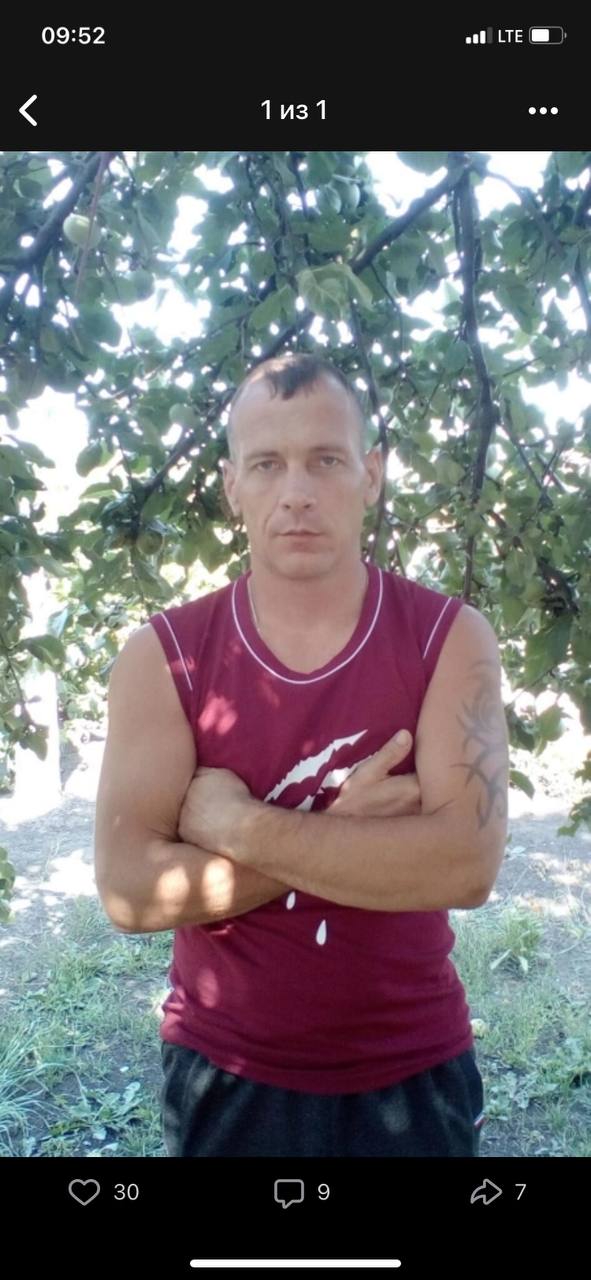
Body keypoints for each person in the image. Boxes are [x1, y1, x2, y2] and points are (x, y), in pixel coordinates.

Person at [94, 352, 509, 1157]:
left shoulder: (449, 639)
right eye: (266, 464)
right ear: (231, 486)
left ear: (371, 474)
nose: (296, 492)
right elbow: (131, 893)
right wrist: (347, 830)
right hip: (225, 1068)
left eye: (325, 459)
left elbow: (464, 867)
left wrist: (235, 825)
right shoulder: (166, 658)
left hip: (412, 1061)